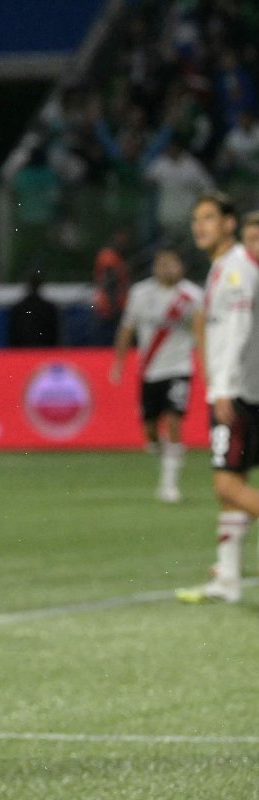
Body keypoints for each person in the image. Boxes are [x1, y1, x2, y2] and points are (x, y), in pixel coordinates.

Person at [176, 195, 259, 604]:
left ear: (229, 223)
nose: (199, 226)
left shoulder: (236, 269)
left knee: (225, 481)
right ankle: (227, 576)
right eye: (196, 219)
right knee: (231, 486)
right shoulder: (222, 268)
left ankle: (227, 575)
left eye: (209, 218)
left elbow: (241, 327)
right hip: (239, 388)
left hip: (239, 391)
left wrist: (223, 386)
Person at [109, 247, 203, 502]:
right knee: (150, 431)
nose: (169, 269)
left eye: (173, 264)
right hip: (150, 370)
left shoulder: (192, 296)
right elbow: (127, 329)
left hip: (179, 368)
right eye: (163, 264)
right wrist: (118, 363)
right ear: (155, 267)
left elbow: (201, 332)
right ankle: (166, 456)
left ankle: (169, 484)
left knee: (174, 420)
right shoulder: (140, 293)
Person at [7, 267, 61, 347]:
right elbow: (54, 335)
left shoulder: (18, 308)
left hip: (23, 352)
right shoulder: (49, 308)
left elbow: (13, 335)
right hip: (44, 351)